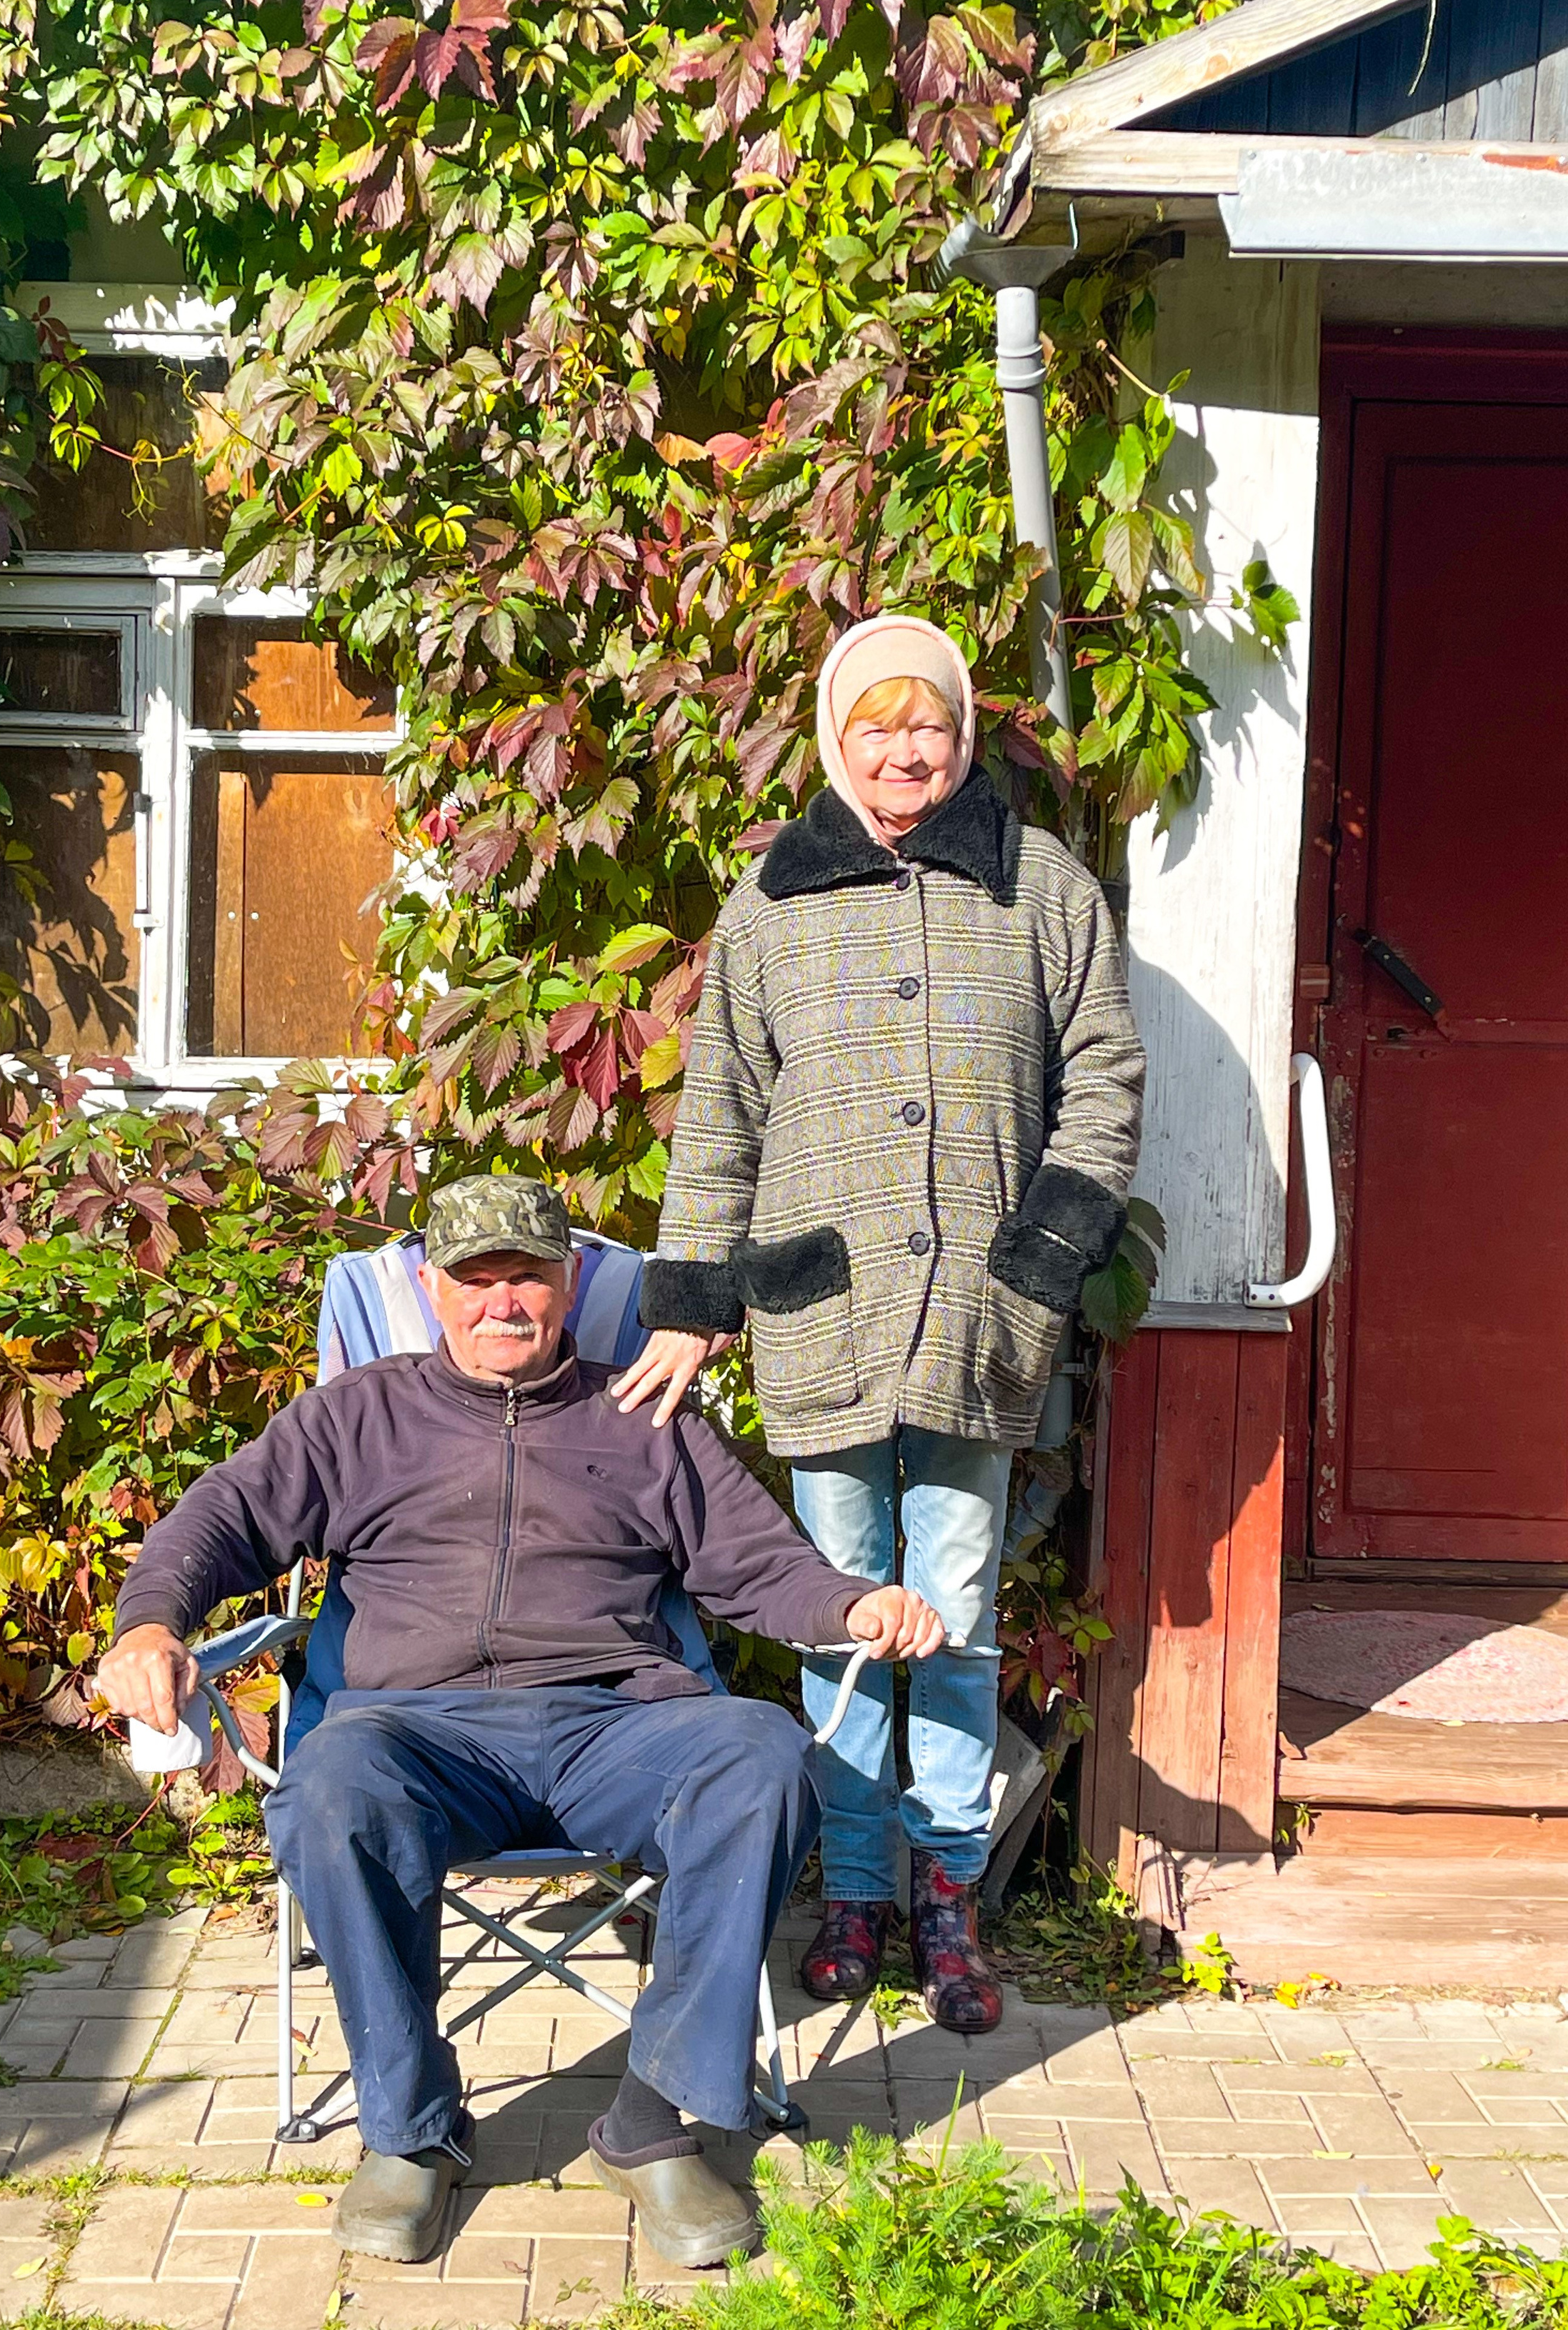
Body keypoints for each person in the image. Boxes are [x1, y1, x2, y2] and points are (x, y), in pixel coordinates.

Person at [96, 1174, 944, 2271]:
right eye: (475, 1279)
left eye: (528, 1278)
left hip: (616, 1724)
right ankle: (411, 2131)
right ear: (428, 1287)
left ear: (571, 1281)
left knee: (762, 1753)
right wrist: (151, 1622)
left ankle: (653, 2121)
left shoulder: (644, 1416)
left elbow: (757, 1565)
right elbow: (222, 1515)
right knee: (332, 1781)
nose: (502, 1302)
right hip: (416, 1732)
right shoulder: (358, 1416)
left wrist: (848, 1603)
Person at [614, 612, 1144, 2034]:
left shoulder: (1039, 888)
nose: (902, 751)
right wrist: (687, 1306)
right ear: (832, 743)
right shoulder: (770, 905)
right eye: (873, 728)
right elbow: (717, 1117)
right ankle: (852, 1896)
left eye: (926, 727)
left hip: (981, 1320)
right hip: (818, 1318)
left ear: (962, 738)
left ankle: (947, 1904)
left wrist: (1038, 1264)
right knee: (840, 1618)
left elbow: (1102, 1081)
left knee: (955, 1618)